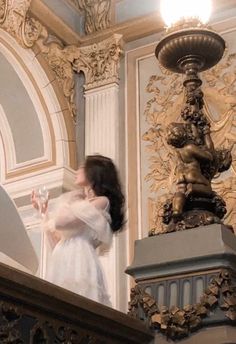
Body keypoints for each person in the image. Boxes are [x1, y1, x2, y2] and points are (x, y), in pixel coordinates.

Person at [31, 154, 125, 306]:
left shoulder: (101, 201)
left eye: (82, 167)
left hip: (80, 259)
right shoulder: (79, 203)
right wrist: (44, 211)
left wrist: (69, 202)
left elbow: (63, 222)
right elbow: (56, 243)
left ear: (94, 172)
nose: (78, 170)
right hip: (62, 259)